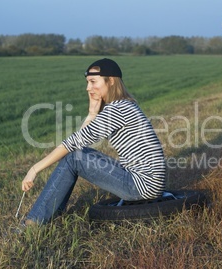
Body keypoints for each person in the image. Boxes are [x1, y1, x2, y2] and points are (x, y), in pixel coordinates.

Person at [21, 58, 166, 226]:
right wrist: (91, 113)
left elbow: (74, 143)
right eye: (87, 82)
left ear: (110, 81)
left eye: (92, 82)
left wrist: (34, 169)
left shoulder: (117, 109)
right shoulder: (125, 105)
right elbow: (81, 141)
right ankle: (48, 215)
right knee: (76, 155)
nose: (88, 88)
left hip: (141, 186)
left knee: (74, 157)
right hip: (146, 182)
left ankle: (34, 222)